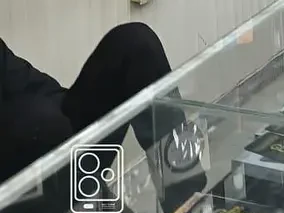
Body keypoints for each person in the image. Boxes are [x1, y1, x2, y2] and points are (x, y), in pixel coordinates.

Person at [0, 22, 177, 186]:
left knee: (137, 43)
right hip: (14, 181)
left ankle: (186, 197)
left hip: (41, 137)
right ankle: (98, 204)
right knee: (44, 124)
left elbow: (30, 85)